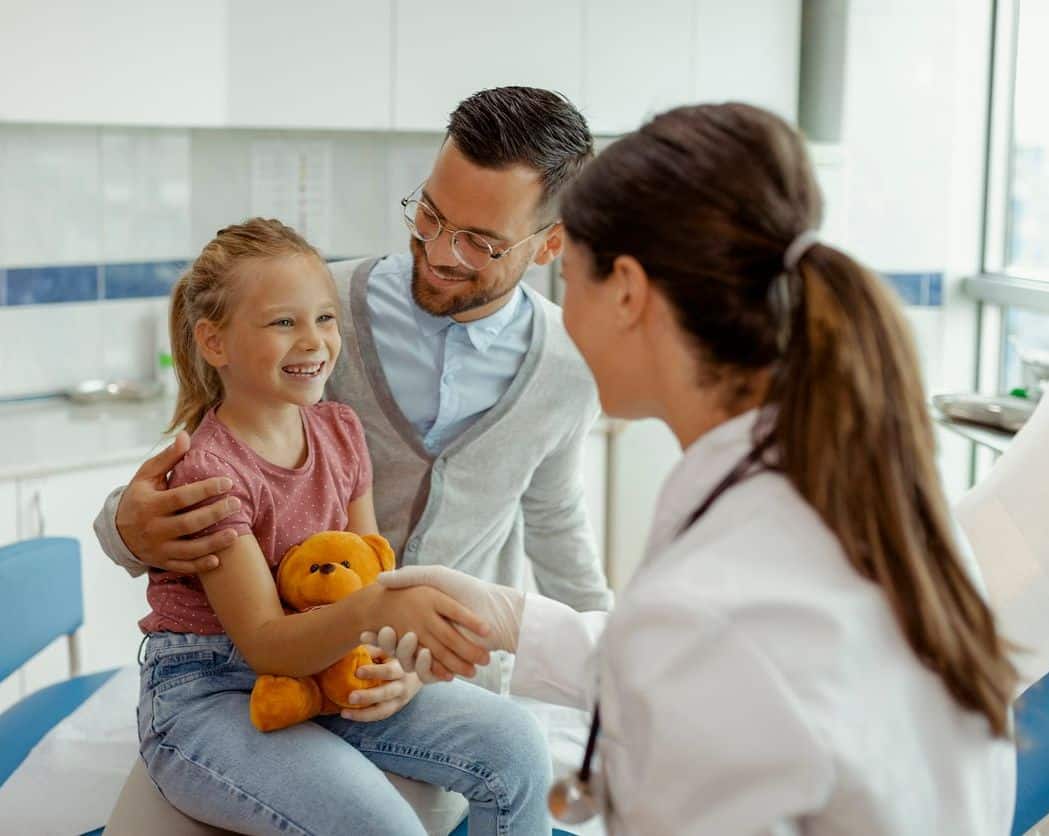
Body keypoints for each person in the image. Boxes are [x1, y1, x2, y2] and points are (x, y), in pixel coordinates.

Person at [367, 102, 1020, 834]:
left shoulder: (707, 604)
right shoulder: (856, 494)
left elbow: (704, 658)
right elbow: (728, 681)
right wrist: (512, 617)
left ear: (627, 292)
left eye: (570, 281)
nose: (562, 314)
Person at [94, 85, 612, 693]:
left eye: (480, 241)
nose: (440, 251)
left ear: (549, 244)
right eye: (430, 215)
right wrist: (125, 530)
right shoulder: (317, 313)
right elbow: (206, 468)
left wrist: (616, 678)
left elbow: (554, 518)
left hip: (453, 683)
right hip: (300, 676)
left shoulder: (570, 363)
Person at [133, 217, 552, 835]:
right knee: (381, 826)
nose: (313, 341)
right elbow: (267, 643)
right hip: (210, 691)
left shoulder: (340, 431)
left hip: (329, 667)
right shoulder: (211, 475)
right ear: (214, 343)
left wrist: (396, 665)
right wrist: (370, 612)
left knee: (517, 746)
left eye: (324, 318)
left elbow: (368, 569)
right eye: (283, 322)